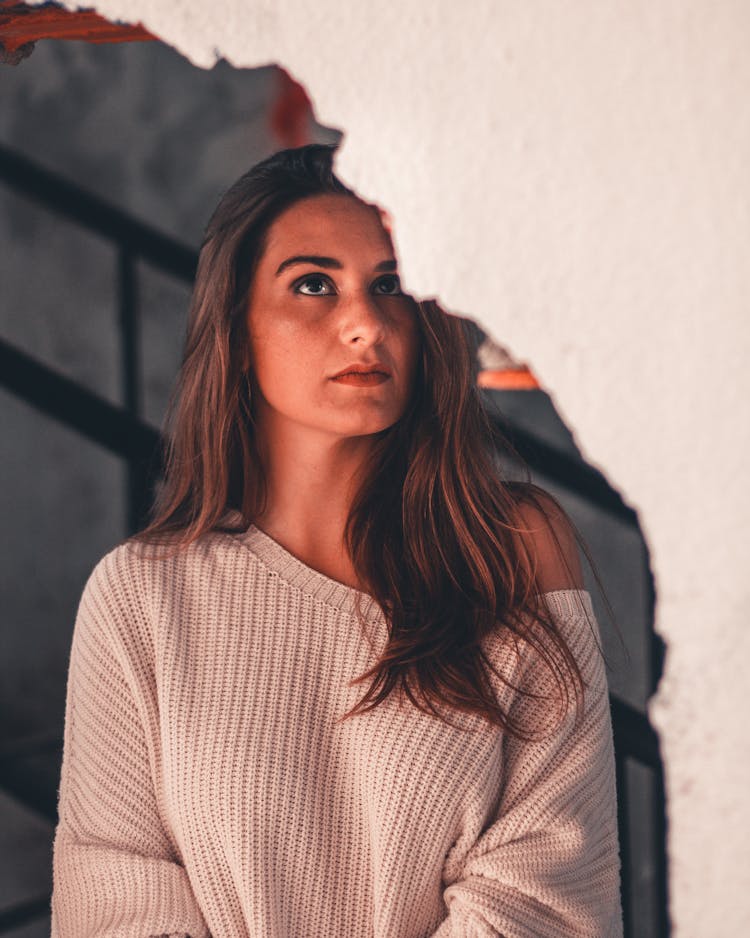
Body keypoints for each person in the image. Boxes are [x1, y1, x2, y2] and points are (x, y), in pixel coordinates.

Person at [50, 143, 623, 937]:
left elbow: (548, 885)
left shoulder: (509, 545)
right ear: (239, 328)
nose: (365, 322)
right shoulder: (143, 593)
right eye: (314, 285)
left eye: (390, 285)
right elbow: (112, 886)